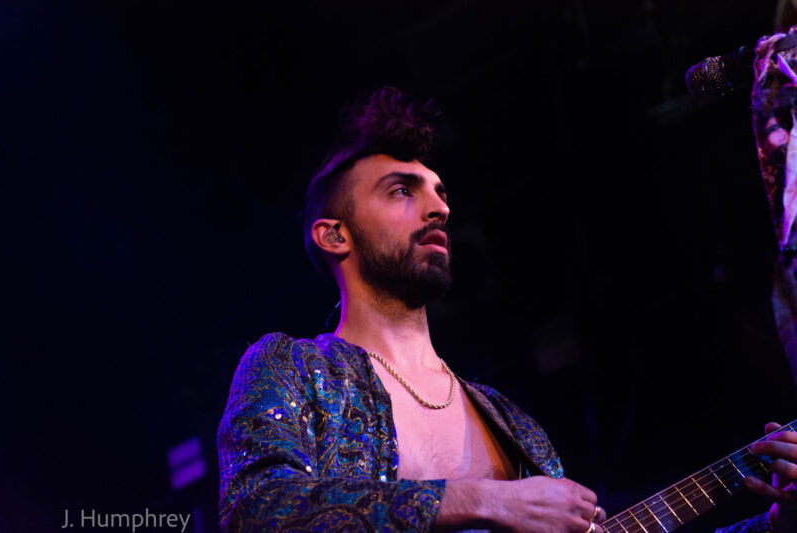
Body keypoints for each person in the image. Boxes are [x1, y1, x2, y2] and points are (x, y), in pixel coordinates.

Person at [217, 87, 797, 532]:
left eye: (440, 192)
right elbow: (258, 510)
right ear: (333, 235)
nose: (439, 209)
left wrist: (779, 524)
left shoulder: (512, 425)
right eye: (402, 191)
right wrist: (490, 500)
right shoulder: (292, 369)